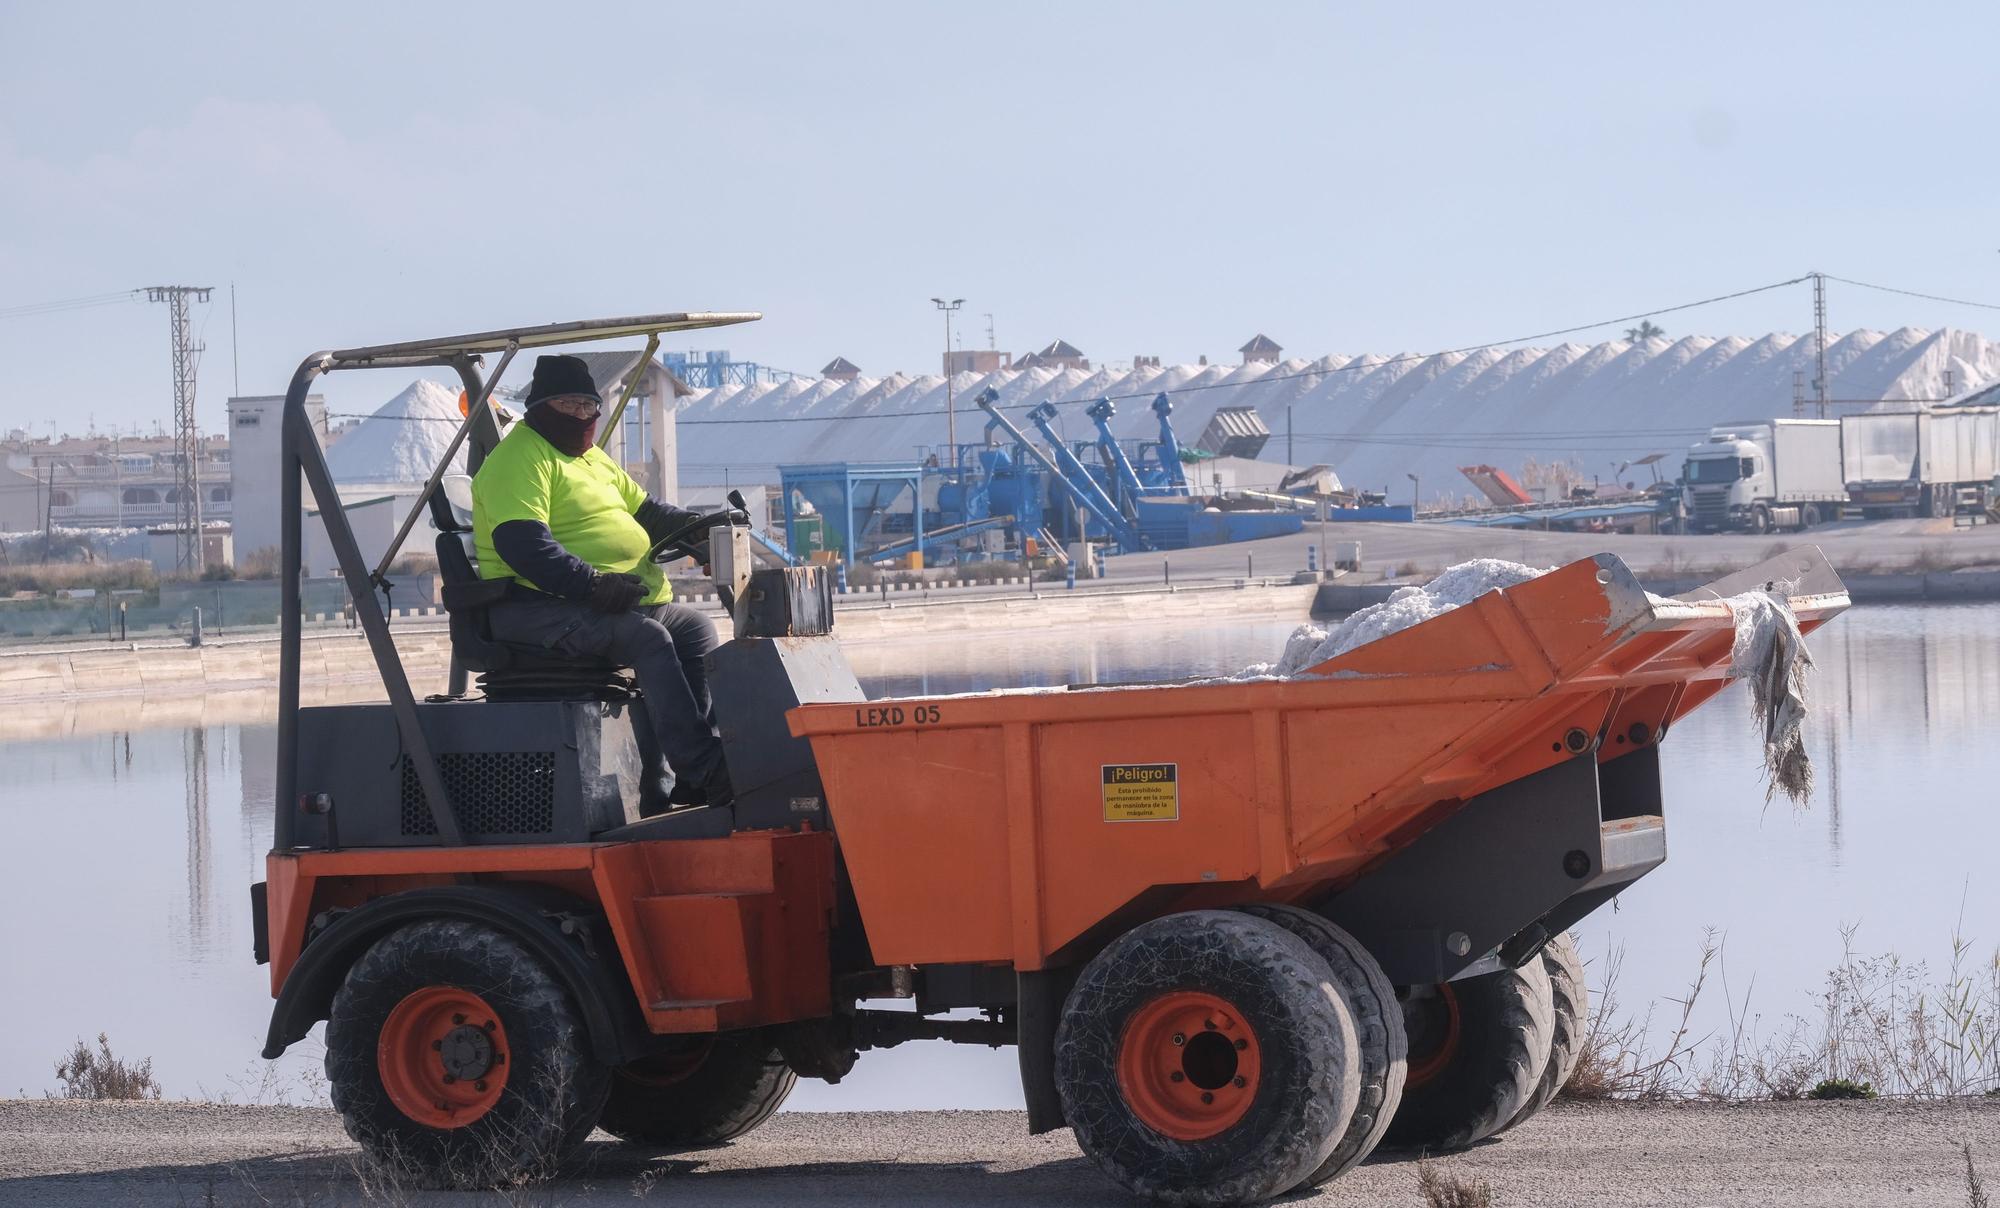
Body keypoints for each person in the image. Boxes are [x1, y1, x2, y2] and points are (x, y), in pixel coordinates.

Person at [472, 353, 731, 811]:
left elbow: (647, 512)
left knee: (695, 630)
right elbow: (525, 547)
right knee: (647, 638)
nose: (581, 416)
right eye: (568, 405)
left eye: (587, 406)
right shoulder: (518, 459)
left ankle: (689, 774)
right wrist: (592, 586)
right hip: (535, 605)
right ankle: (707, 769)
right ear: (538, 408)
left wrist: (697, 529)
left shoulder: (592, 459)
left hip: (610, 599)